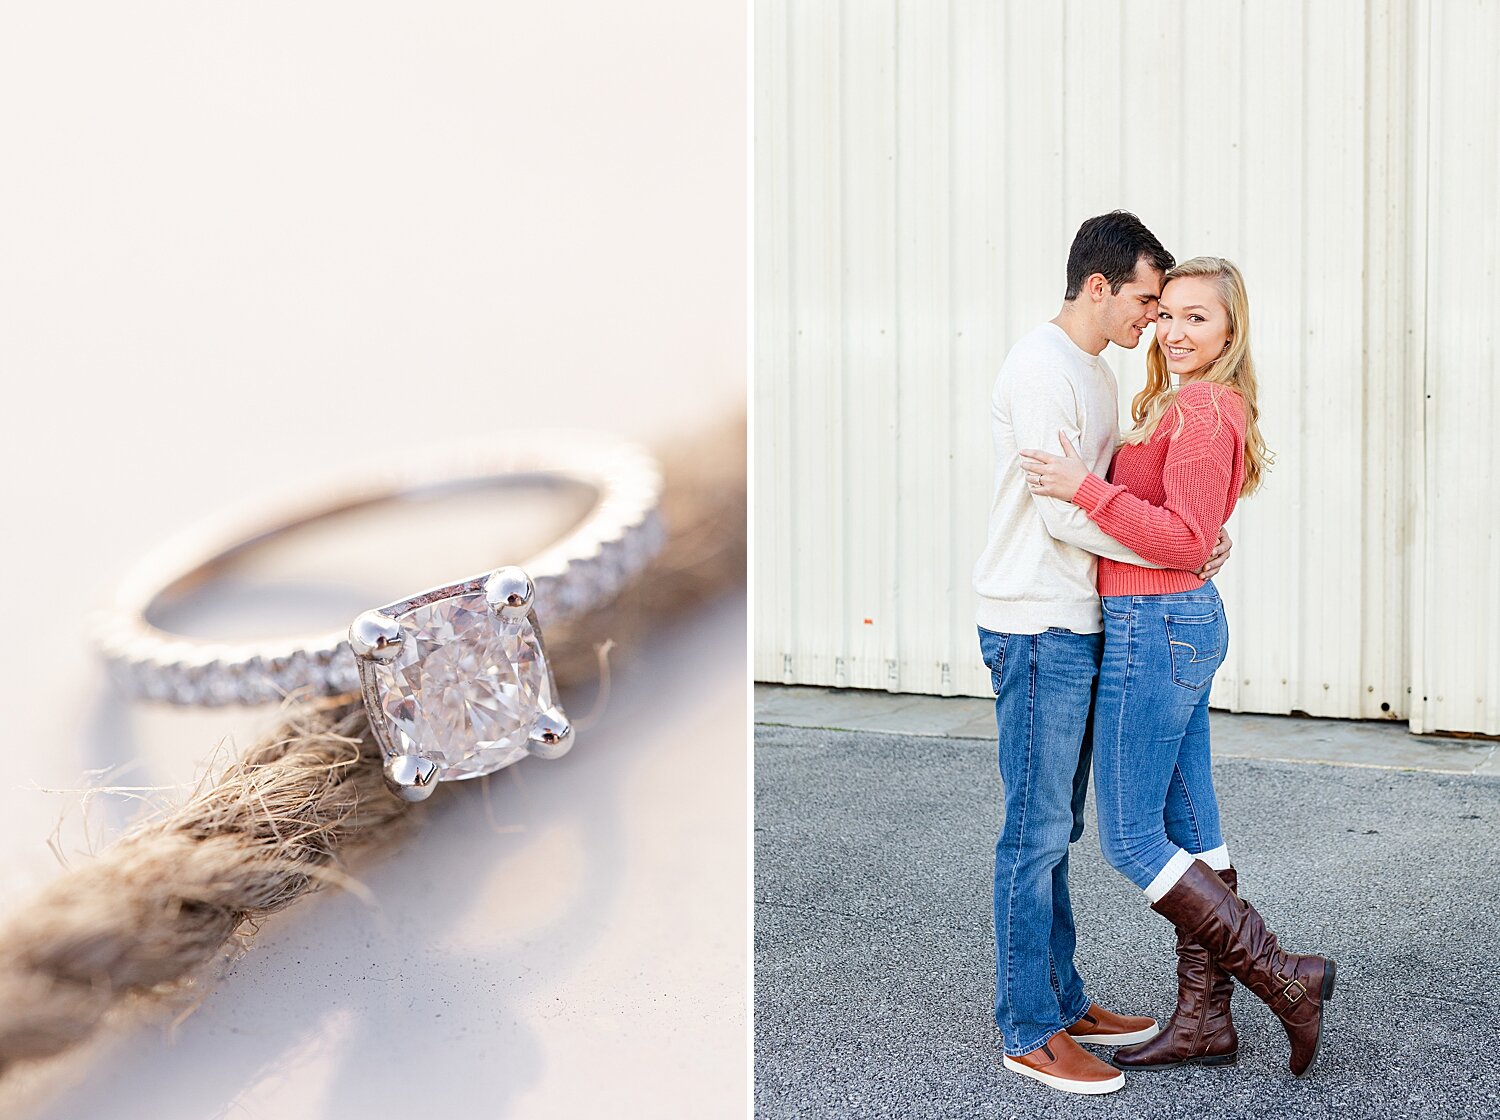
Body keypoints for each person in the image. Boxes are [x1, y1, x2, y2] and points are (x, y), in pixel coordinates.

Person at [1020, 256, 1336, 1081]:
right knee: (1194, 830)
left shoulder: (1200, 407)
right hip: (1170, 621)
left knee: (1130, 837)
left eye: (1198, 317)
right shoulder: (1181, 405)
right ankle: (1204, 1020)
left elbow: (1185, 542)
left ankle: (1284, 982)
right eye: (1167, 315)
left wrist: (1086, 489)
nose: (1175, 331)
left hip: (1154, 624)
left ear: (1231, 330)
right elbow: (1194, 534)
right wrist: (1184, 539)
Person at [972, 211, 1232, 1097]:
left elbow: (1124, 495)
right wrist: (1177, 546)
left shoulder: (1093, 372)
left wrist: (1188, 539)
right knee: (1035, 833)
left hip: (1081, 619)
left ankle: (1064, 996)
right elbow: (1061, 511)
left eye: (1168, 308)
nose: (1154, 323)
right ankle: (1029, 1028)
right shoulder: (1042, 370)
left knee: (1063, 829)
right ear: (1098, 286)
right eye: (1148, 301)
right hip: (1037, 621)